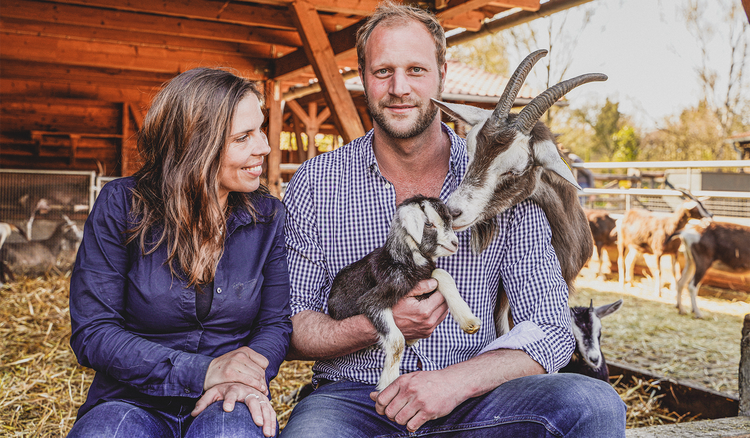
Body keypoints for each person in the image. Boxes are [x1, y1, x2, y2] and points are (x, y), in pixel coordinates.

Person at [280, 2, 626, 437]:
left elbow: (553, 328)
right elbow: (293, 326)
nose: (399, 87)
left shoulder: (503, 180)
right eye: (383, 71)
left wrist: (454, 383)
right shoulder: (316, 182)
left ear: (442, 72)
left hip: (473, 398)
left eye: (416, 70)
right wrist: (380, 325)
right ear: (363, 76)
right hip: (354, 397)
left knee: (593, 404)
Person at [67, 68, 292, 438]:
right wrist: (203, 372)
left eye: (261, 129)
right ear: (195, 146)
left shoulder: (268, 216)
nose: (264, 147)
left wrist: (247, 375)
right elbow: (93, 332)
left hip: (229, 399)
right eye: (243, 137)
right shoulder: (121, 205)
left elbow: (275, 324)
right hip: (130, 399)